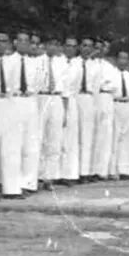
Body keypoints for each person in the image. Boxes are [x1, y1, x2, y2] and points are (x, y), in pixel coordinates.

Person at [6, 30, 44, 195]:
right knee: (14, 144)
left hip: (30, 101)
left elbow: (39, 84)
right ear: (15, 42)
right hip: (14, 101)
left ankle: (28, 183)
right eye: (20, 40)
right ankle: (12, 186)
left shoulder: (35, 63)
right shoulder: (8, 61)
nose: (23, 43)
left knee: (31, 145)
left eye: (26, 41)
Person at [0, 30, 22, 199]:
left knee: (10, 147)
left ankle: (11, 188)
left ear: (9, 44)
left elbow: (16, 85)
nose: (1, 44)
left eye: (4, 41)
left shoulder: (13, 63)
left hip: (9, 102)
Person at [38, 34, 69, 190]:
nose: (53, 47)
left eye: (56, 44)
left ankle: (49, 177)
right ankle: (37, 175)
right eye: (50, 44)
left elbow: (66, 88)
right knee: (39, 138)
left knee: (54, 139)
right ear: (45, 45)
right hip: (42, 97)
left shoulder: (62, 63)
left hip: (56, 98)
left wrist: (65, 110)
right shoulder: (38, 61)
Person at [72, 36, 100, 183]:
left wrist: (95, 105)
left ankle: (85, 172)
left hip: (89, 99)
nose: (86, 48)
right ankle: (73, 172)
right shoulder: (73, 63)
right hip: (75, 98)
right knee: (74, 136)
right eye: (84, 45)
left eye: (89, 46)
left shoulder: (95, 66)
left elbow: (96, 87)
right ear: (80, 47)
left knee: (87, 137)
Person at [93, 38, 119, 181]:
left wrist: (104, 85)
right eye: (98, 47)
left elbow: (113, 86)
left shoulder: (109, 67)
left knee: (105, 135)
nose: (100, 50)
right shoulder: (90, 64)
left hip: (106, 98)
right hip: (93, 98)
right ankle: (91, 170)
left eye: (103, 48)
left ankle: (102, 170)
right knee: (92, 134)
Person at [58, 36, 81, 186]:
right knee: (56, 138)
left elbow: (75, 87)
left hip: (71, 101)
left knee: (70, 139)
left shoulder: (77, 65)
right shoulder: (58, 62)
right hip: (57, 100)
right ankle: (55, 173)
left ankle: (68, 174)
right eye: (68, 46)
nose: (70, 49)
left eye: (73, 46)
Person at [112, 50, 129, 180]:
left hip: (127, 107)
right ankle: (113, 170)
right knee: (114, 138)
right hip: (115, 105)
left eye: (126, 58)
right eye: (121, 58)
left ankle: (125, 171)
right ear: (116, 60)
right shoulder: (111, 74)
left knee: (127, 140)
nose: (123, 61)